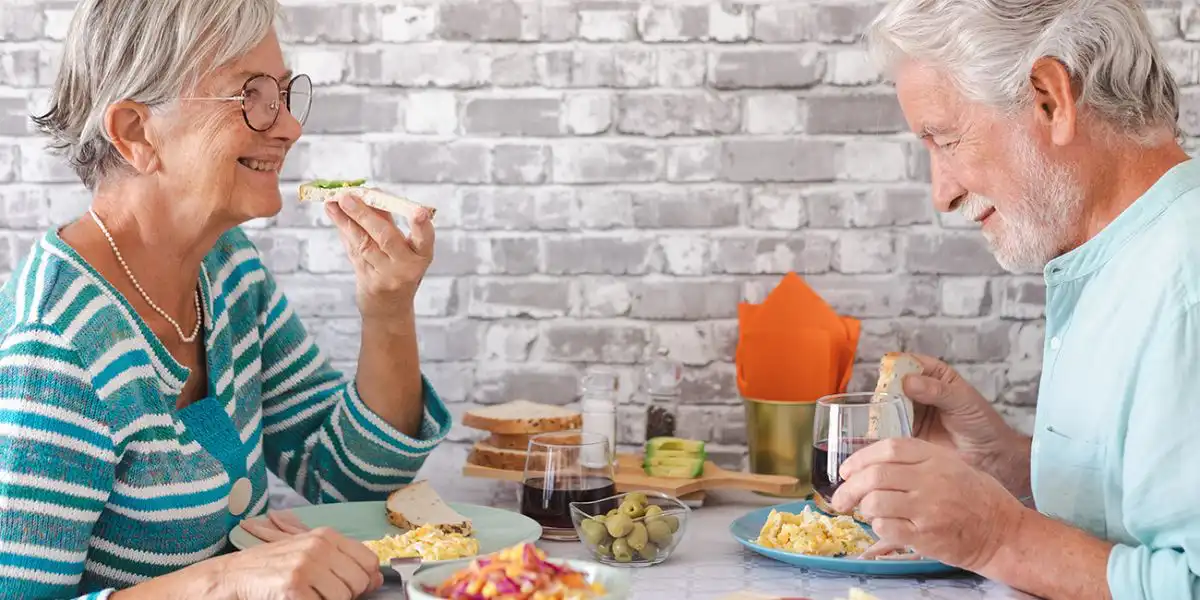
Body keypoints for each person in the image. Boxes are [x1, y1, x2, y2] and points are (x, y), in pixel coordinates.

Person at [0, 0, 452, 598]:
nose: (289, 126)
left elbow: (348, 480)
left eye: (286, 94)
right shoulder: (52, 350)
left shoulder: (228, 266)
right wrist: (222, 582)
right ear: (136, 132)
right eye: (252, 96)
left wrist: (388, 308)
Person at [830, 1, 1200, 599]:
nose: (941, 194)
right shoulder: (1120, 257)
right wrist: (1007, 466)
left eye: (945, 139)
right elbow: (1143, 510)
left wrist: (997, 537)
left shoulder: (1187, 286)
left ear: (1051, 99)